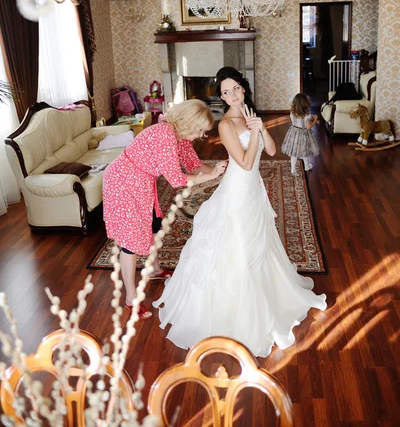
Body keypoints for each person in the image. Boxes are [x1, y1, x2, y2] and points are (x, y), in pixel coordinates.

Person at [153, 67, 326, 357]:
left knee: (258, 241)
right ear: (221, 97)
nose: (232, 95)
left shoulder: (249, 115)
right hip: (236, 190)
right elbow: (245, 163)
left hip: (253, 190)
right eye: (225, 92)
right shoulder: (225, 126)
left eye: (235, 88)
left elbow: (270, 152)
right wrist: (254, 132)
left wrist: (260, 126)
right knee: (235, 245)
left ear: (243, 89)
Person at [103, 99, 227, 320]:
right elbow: (177, 180)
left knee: (154, 225)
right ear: (188, 123)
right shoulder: (164, 135)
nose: (201, 135)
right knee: (130, 241)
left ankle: (153, 270)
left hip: (141, 181)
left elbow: (194, 165)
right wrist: (210, 175)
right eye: (199, 129)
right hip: (122, 182)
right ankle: (131, 298)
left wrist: (219, 171)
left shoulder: (180, 137)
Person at [281, 93, 319, 175]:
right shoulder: (307, 116)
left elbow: (295, 122)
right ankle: (306, 166)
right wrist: (315, 120)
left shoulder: (292, 113)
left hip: (293, 133)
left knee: (294, 153)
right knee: (304, 151)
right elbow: (308, 127)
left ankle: (293, 169)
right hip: (303, 135)